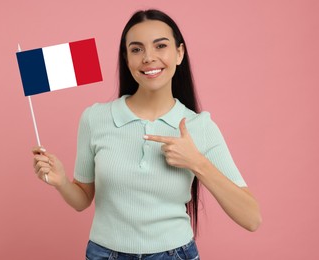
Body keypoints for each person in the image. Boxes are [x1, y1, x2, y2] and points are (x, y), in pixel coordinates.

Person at [32, 9, 262, 260]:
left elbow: (251, 219)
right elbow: (82, 200)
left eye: (160, 46)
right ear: (126, 58)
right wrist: (61, 182)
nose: (148, 57)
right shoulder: (95, 118)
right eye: (136, 49)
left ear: (179, 53)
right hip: (104, 253)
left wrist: (197, 163)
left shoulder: (199, 126)